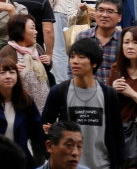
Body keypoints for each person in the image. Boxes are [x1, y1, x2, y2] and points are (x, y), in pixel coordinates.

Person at [41, 37, 124, 169]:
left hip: (103, 165)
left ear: (94, 63)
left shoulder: (108, 94)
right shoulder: (59, 91)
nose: (75, 61)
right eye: (72, 57)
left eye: (81, 57)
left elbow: (117, 135)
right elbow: (44, 128)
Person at [107, 25, 137, 156]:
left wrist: (133, 94)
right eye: (126, 42)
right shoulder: (116, 70)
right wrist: (111, 90)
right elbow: (106, 104)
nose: (130, 46)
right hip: (121, 134)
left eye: (135, 42)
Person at [5, 13, 52, 112]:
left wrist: (48, 62)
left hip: (43, 104)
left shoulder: (37, 48)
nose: (36, 32)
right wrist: (11, 69)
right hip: (20, 107)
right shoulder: (8, 50)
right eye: (32, 28)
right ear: (20, 30)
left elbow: (46, 71)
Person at [74, 0, 123, 86]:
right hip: (88, 94)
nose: (104, 15)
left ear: (119, 17)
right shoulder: (82, 37)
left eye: (110, 11)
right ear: (95, 12)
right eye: (100, 10)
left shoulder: (124, 40)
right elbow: (73, 69)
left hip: (115, 95)